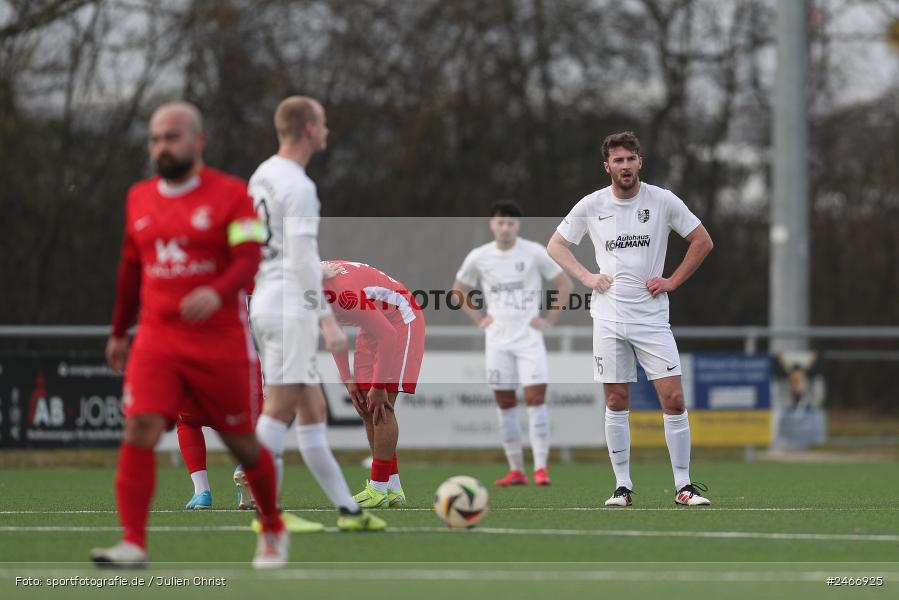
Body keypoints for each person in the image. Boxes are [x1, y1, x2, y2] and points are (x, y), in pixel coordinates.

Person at [96, 102, 287, 568]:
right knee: (139, 427)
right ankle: (134, 542)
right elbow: (130, 268)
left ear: (198, 141)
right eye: (156, 139)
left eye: (172, 137)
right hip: (158, 340)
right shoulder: (139, 197)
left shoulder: (231, 195)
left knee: (241, 440)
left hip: (218, 340)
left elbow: (248, 258)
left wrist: (217, 291)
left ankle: (273, 528)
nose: (163, 146)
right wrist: (119, 331)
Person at [546, 131, 714, 507]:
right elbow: (556, 244)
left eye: (630, 159)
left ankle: (683, 487)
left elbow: (702, 240)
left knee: (673, 399)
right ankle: (622, 487)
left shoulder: (662, 200)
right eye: (617, 160)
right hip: (608, 317)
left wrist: (672, 280)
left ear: (641, 162)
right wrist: (587, 277)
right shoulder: (592, 204)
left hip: (652, 317)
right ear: (607, 166)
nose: (625, 166)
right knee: (617, 400)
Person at [241, 96, 385, 532]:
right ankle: (268, 514)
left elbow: (244, 233)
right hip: (288, 304)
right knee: (280, 406)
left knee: (312, 408)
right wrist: (325, 320)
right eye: (323, 122)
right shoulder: (298, 186)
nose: (327, 130)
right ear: (307, 129)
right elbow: (304, 259)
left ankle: (350, 511)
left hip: (265, 299)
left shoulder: (261, 175)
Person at [452, 201, 573, 487]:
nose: (505, 227)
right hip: (497, 341)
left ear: (518, 226)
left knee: (535, 399)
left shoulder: (533, 252)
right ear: (492, 224)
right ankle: (516, 469)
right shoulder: (479, 256)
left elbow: (565, 284)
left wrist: (549, 319)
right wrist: (479, 319)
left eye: (511, 223)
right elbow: (458, 290)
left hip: (529, 340)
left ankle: (541, 468)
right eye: (500, 222)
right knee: (504, 403)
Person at [320, 260, 426, 508]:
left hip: (401, 320)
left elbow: (388, 334)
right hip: (374, 324)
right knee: (367, 406)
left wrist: (379, 386)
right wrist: (348, 381)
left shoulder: (341, 294)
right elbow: (334, 337)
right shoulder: (304, 292)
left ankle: (377, 489)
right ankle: (392, 488)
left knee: (382, 404)